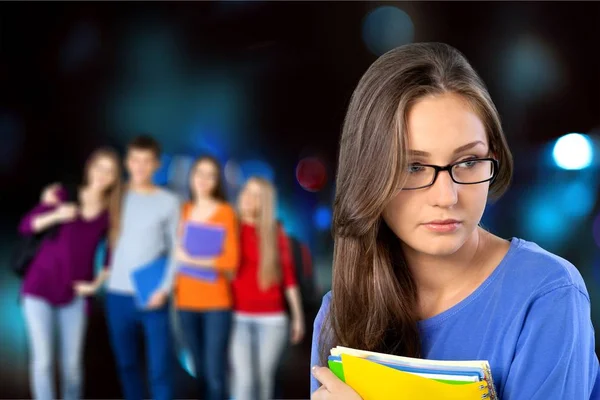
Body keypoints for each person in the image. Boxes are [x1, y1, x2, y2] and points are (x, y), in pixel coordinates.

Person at [310, 42, 600, 400]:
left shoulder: (548, 295)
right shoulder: (339, 314)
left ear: (493, 157)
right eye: (413, 167)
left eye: (468, 162)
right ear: (369, 174)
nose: (446, 196)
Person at [18, 147, 122, 400]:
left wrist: (96, 283)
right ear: (89, 168)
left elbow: (111, 253)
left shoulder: (111, 212)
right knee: (42, 362)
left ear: (115, 178)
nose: (102, 175)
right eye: (99, 167)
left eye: (109, 171)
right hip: (39, 287)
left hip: (75, 295)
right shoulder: (64, 194)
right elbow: (26, 226)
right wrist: (56, 214)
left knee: (73, 369)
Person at [104, 135, 180, 400]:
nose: (140, 166)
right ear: (127, 162)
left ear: (156, 164)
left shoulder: (168, 201)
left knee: (159, 370)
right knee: (127, 366)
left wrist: (165, 288)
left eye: (146, 161)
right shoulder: (115, 197)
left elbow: (177, 249)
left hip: (152, 294)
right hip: (116, 295)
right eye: (135, 160)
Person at [230, 177, 306, 400]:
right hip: (238, 317)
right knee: (243, 379)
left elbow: (289, 278)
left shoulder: (274, 231)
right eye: (246, 191)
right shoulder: (230, 227)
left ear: (264, 202)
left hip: (272, 321)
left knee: (263, 379)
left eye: (255, 194)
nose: (247, 197)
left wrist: (298, 317)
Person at [173, 155, 240, 400]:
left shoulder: (225, 213)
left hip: (217, 304)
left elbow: (230, 261)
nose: (203, 179)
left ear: (217, 181)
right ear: (190, 177)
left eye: (210, 175)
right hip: (185, 302)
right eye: (198, 173)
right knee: (198, 372)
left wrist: (189, 257)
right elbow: (170, 253)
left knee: (214, 373)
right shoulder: (182, 211)